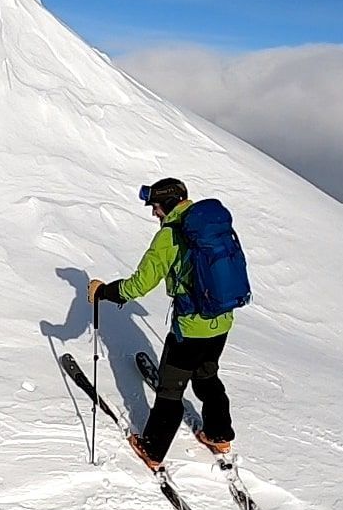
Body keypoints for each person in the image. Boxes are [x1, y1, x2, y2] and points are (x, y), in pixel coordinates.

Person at [88, 177, 237, 471]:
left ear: (168, 203)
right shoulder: (213, 226)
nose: (154, 213)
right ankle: (219, 434)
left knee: (170, 390)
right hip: (222, 322)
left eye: (155, 206)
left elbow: (140, 285)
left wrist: (104, 292)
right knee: (207, 376)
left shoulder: (170, 236)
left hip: (190, 330)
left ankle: (153, 448)